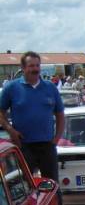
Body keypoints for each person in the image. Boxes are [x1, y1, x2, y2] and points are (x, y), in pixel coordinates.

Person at [0, 51, 65, 182]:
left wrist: (56, 138)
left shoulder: (50, 87)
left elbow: (60, 114)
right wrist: (11, 130)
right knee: (25, 186)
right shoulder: (11, 88)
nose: (35, 69)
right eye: (31, 66)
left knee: (52, 186)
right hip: (23, 146)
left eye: (37, 65)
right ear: (23, 68)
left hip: (47, 145)